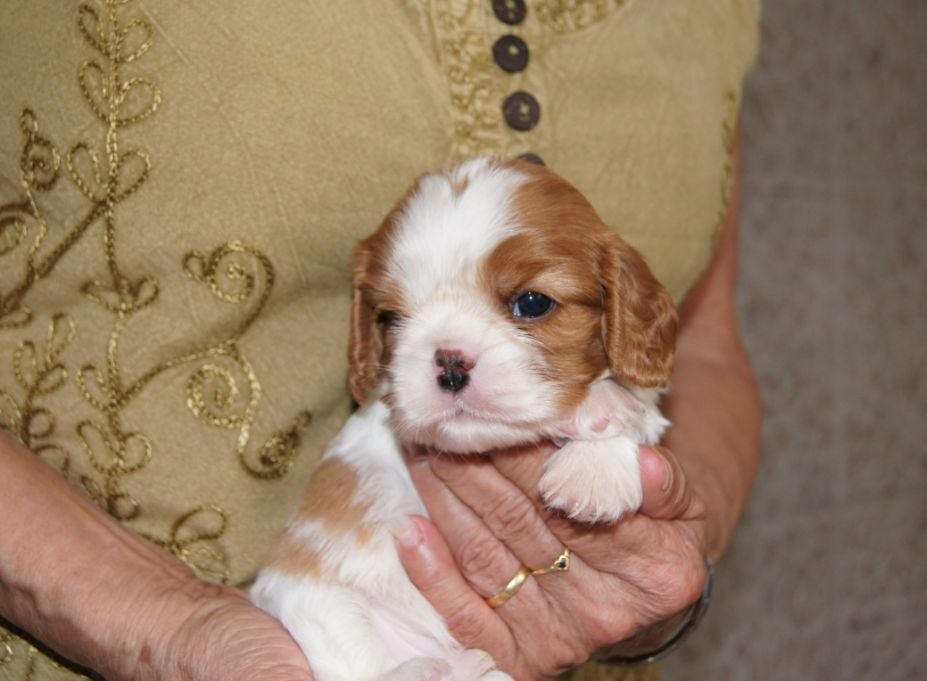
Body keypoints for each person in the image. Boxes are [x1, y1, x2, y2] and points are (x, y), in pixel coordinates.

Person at [0, 2, 761, 679]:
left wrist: (666, 572)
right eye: (396, 321)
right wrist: (174, 630)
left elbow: (706, 351)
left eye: (530, 303)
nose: (451, 357)